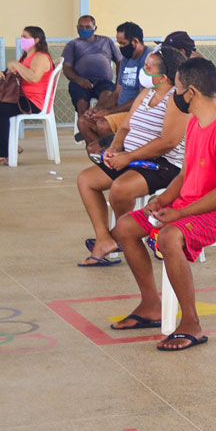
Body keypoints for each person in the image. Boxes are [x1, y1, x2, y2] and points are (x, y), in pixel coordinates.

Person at [111, 57, 216, 351]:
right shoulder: (196, 123)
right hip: (192, 205)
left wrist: (178, 213)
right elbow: (186, 173)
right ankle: (150, 305)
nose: (173, 95)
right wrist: (161, 200)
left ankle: (192, 322)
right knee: (124, 227)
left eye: (176, 88)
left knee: (169, 235)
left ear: (190, 92)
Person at [75, 47, 188, 266]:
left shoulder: (176, 100)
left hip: (163, 164)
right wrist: (114, 149)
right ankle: (105, 238)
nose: (143, 70)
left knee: (120, 188)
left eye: (148, 67)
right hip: (133, 158)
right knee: (86, 180)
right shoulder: (146, 94)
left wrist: (128, 157)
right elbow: (125, 127)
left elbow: (168, 142)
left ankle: (122, 234)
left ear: (163, 77)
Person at [77, 21, 151, 152]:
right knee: (83, 121)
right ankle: (103, 159)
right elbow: (117, 92)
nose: (120, 47)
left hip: (135, 112)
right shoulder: (127, 59)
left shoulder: (148, 60)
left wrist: (110, 112)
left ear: (135, 41)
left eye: (123, 43)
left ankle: (116, 156)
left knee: (102, 124)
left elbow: (141, 98)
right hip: (120, 109)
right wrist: (98, 109)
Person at [0, 26, 55, 164]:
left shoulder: (40, 57)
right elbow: (17, 75)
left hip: (34, 102)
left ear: (36, 40)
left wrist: (17, 65)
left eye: (25, 37)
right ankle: (8, 147)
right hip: (21, 98)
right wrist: (4, 74)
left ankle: (6, 152)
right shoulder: (25, 57)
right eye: (22, 36)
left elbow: (34, 78)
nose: (22, 39)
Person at [61, 15, 120, 116]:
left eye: (88, 27)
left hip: (104, 82)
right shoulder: (72, 45)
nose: (84, 29)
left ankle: (95, 119)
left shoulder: (106, 41)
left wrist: (118, 83)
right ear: (77, 28)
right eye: (81, 27)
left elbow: (120, 61)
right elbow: (66, 67)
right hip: (80, 83)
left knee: (108, 97)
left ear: (95, 28)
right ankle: (84, 127)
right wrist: (79, 80)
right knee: (82, 104)